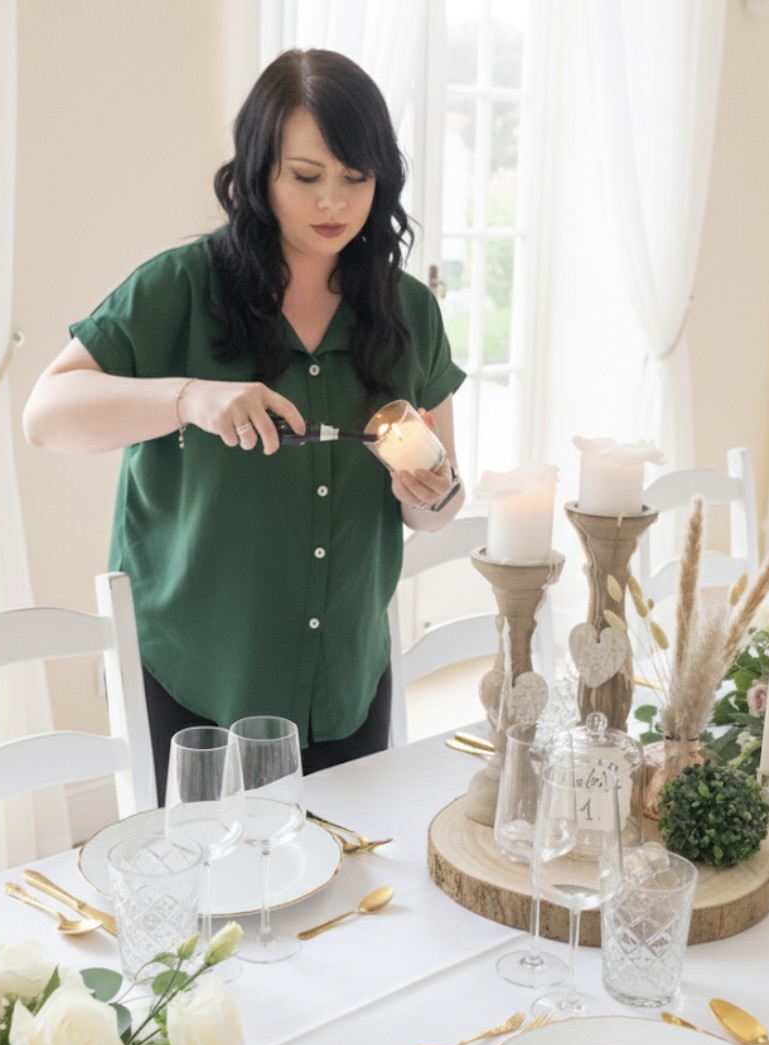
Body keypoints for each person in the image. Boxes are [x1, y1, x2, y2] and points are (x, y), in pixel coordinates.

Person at [24, 48, 466, 803]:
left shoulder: (408, 312)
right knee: (212, 909)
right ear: (259, 169)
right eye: (306, 175)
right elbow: (46, 416)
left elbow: (437, 509)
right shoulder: (182, 287)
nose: (334, 201)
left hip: (347, 686)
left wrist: (431, 491)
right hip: (199, 686)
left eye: (356, 178)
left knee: (349, 904)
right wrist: (188, 398)